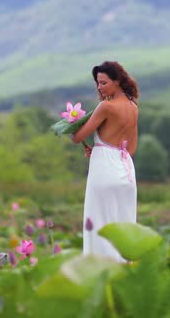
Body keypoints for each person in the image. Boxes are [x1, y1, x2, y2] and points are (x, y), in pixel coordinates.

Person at [71, 61, 139, 261]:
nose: (100, 88)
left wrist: (72, 124)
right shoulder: (133, 106)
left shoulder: (106, 107)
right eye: (98, 84)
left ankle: (99, 267)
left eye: (103, 83)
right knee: (124, 223)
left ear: (117, 81)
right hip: (125, 169)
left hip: (104, 170)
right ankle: (124, 267)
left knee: (98, 221)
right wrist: (102, 150)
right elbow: (131, 147)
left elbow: (77, 137)